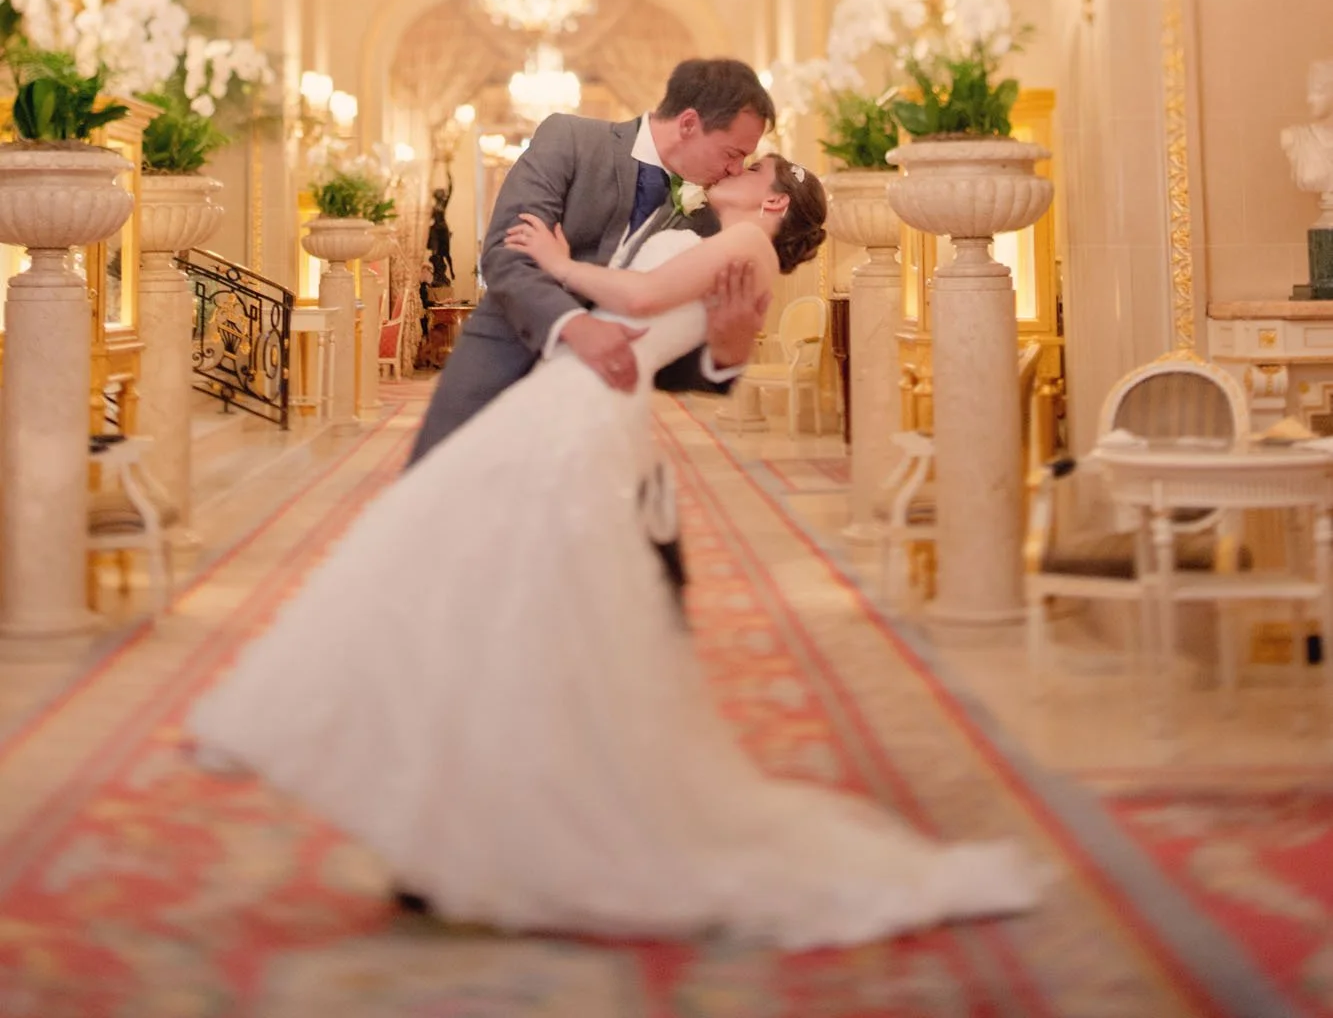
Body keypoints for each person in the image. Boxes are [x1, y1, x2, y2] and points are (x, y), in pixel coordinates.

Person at [188, 153, 1038, 947]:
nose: (737, 165)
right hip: (579, 407)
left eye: (756, 166)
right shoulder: (735, 244)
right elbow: (718, 345)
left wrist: (556, 263)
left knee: (477, 584)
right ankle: (468, 819)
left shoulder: (744, 239)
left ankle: (472, 815)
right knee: (501, 598)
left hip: (584, 413)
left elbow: (637, 304)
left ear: (772, 202)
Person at [406, 58, 776, 466]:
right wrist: (576, 326)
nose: (735, 169)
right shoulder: (571, 138)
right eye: (732, 152)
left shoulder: (709, 222)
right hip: (500, 370)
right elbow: (507, 254)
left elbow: (664, 355)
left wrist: (726, 356)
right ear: (689, 123)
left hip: (595, 420)